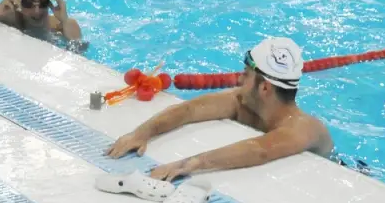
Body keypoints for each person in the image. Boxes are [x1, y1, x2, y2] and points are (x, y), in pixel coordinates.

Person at [107, 37, 332, 179]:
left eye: (246, 75)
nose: (239, 80)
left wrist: (187, 165)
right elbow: (190, 110)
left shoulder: (304, 128)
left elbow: (260, 150)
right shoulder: (242, 102)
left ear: (265, 88)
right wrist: (142, 133)